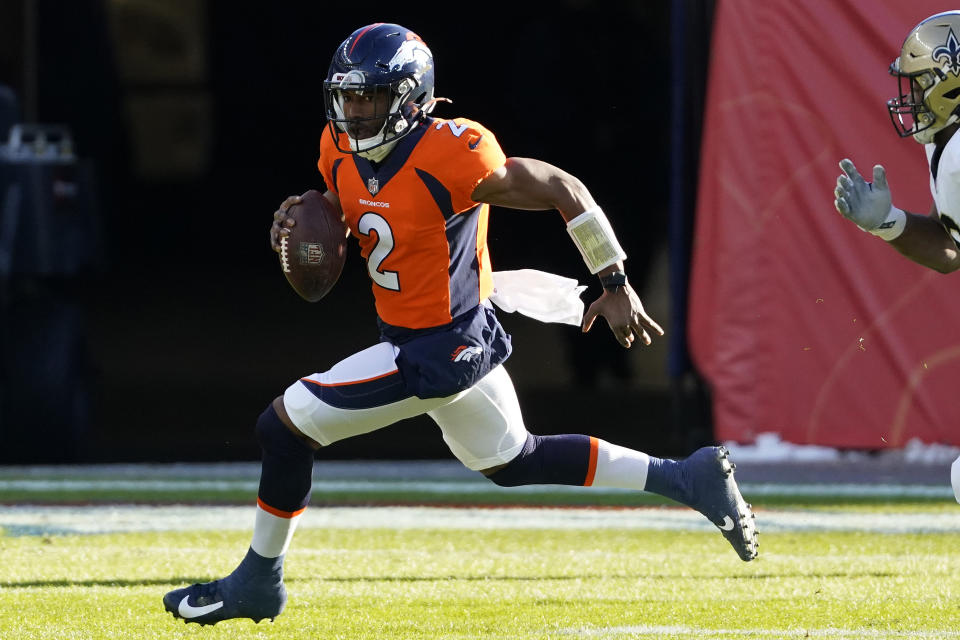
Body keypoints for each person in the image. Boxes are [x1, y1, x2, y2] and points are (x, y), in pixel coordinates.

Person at [163, 22, 758, 626]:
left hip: (441, 349)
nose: (353, 112)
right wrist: (308, 234)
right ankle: (688, 477)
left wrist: (614, 281)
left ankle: (257, 583)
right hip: (419, 341)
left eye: (368, 98)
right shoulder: (337, 149)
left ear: (409, 98)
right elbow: (358, 220)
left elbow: (563, 187)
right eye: (345, 97)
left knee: (283, 427)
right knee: (514, 461)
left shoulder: (453, 151)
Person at [833, 11, 960, 503]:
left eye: (922, 81)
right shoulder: (948, 143)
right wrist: (889, 223)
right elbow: (951, 249)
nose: (910, 95)